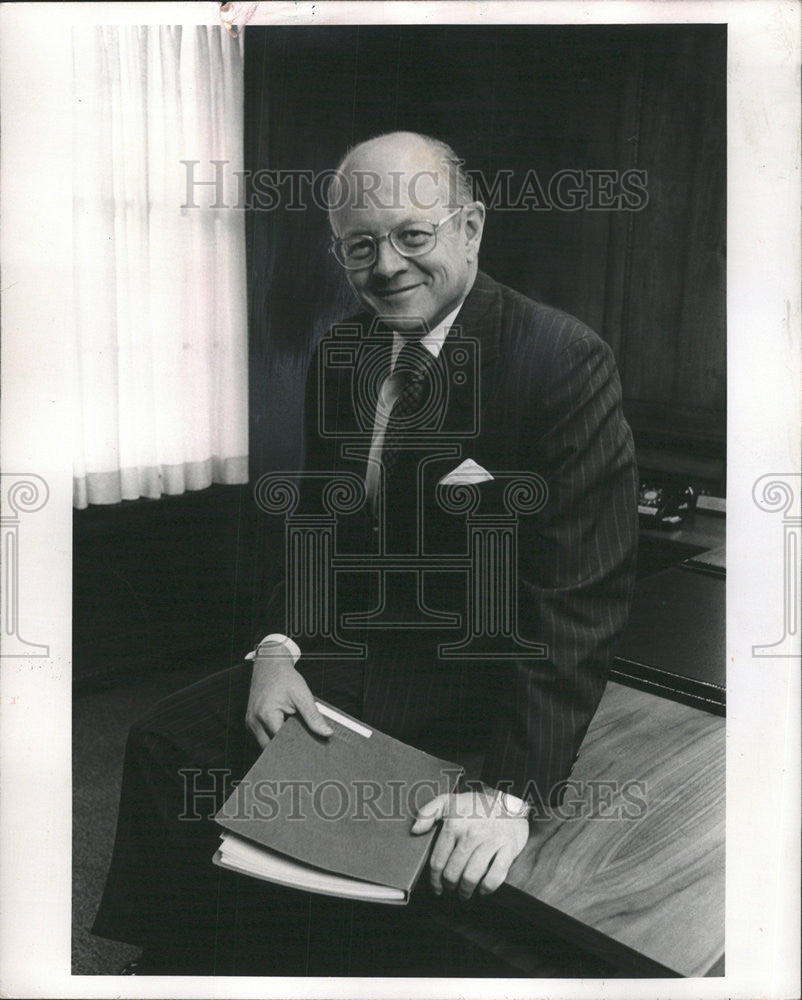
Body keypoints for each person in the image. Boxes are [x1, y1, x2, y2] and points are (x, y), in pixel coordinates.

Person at [91, 132, 638, 976]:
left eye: (412, 235)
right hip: (358, 649)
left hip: (479, 672)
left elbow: (579, 598)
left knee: (347, 847)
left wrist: (512, 793)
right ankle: (178, 967)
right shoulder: (343, 351)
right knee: (166, 743)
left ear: (471, 227)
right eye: (361, 245)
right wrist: (278, 648)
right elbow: (318, 521)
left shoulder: (561, 359)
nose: (386, 265)